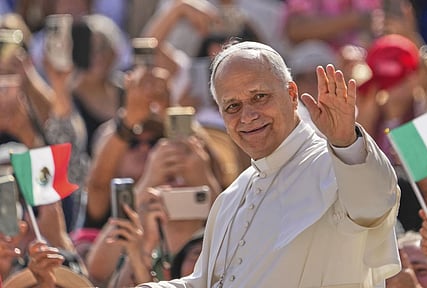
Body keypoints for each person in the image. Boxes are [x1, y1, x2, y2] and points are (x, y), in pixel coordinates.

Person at [137, 41, 401, 287]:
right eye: (232, 106)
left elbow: (376, 203)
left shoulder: (337, 163)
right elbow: (206, 282)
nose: (248, 116)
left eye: (259, 97)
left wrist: (345, 141)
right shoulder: (232, 197)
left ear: (292, 94)